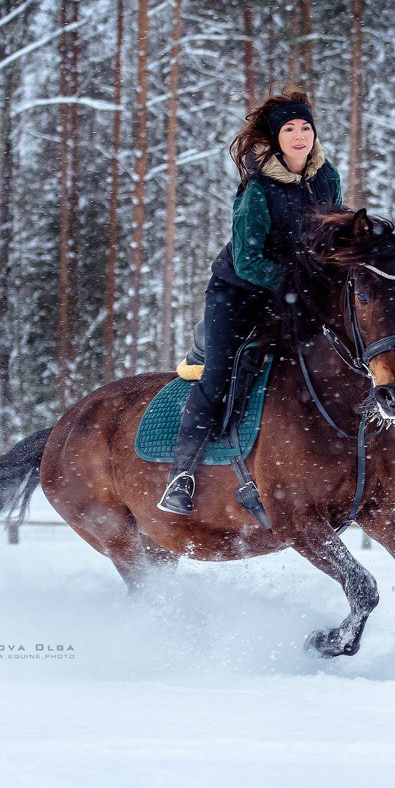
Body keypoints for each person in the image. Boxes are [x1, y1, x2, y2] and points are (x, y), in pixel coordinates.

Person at [157, 85, 343, 516]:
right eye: (290, 129)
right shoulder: (258, 191)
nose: (299, 135)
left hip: (295, 295)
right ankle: (181, 475)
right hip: (238, 293)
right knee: (221, 375)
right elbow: (247, 261)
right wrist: (299, 283)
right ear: (276, 138)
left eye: (306, 127)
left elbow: (332, 228)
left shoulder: (327, 176)